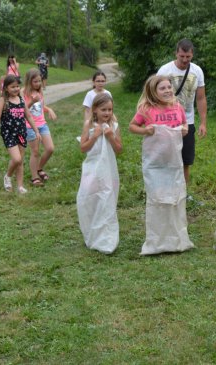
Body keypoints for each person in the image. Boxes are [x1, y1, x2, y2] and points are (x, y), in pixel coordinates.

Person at [129, 75, 194, 255]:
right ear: (153, 91)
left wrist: (184, 129)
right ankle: (157, 240)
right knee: (157, 198)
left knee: (175, 197)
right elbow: (132, 126)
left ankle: (176, 238)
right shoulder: (146, 109)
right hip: (155, 164)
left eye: (169, 87)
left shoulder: (177, 106)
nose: (167, 91)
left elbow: (184, 125)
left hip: (174, 163)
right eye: (162, 88)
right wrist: (145, 130)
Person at [157, 39, 207, 188]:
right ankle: (165, 188)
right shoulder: (165, 70)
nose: (185, 60)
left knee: (186, 161)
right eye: (182, 56)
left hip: (188, 122)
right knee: (166, 159)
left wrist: (203, 122)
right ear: (176, 54)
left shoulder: (197, 71)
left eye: (188, 57)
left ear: (192, 55)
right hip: (166, 122)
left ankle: (183, 192)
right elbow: (153, 96)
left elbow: (201, 98)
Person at [76, 93, 123, 254]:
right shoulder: (88, 126)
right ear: (95, 109)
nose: (107, 113)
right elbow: (83, 148)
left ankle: (107, 237)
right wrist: (94, 136)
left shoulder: (114, 126)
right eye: (103, 109)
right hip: (92, 170)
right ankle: (92, 233)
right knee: (89, 199)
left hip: (108, 170)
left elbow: (119, 150)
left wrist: (110, 136)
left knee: (107, 200)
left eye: (110, 109)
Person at [0, 75, 41, 194]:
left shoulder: (21, 99)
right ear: (6, 88)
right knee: (16, 159)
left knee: (20, 160)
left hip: (21, 132)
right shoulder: (3, 100)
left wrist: (36, 130)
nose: (16, 89)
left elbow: (28, 116)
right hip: (8, 133)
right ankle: (7, 176)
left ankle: (20, 186)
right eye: (12, 87)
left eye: (17, 86)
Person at [22, 68, 57, 186]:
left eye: (39, 81)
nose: (38, 84)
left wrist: (49, 109)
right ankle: (34, 177)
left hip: (42, 124)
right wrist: (31, 101)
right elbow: (22, 110)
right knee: (35, 152)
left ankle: (39, 168)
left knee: (50, 148)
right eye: (35, 82)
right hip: (29, 126)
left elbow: (41, 106)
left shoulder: (40, 92)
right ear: (29, 82)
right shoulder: (23, 92)